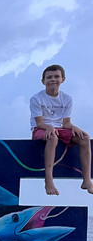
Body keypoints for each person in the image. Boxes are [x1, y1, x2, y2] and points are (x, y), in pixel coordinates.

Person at [29, 64, 93, 195]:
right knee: (52, 137)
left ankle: (87, 180)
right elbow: (39, 123)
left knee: (85, 138)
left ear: (63, 79)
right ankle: (49, 180)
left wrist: (75, 127)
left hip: (60, 128)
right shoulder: (36, 98)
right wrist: (49, 127)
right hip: (41, 128)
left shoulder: (67, 98)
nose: (53, 79)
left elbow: (66, 123)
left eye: (56, 76)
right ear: (43, 81)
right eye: (49, 77)